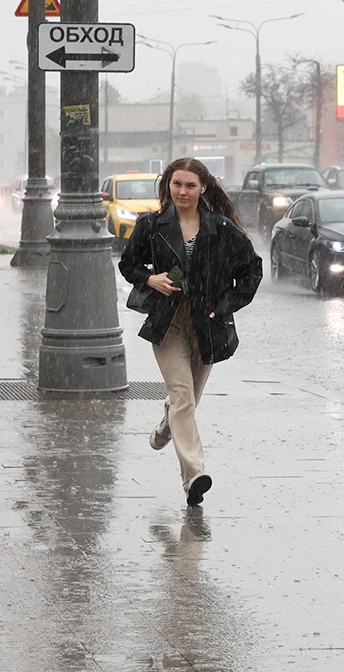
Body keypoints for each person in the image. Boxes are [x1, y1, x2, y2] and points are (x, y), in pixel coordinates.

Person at [119, 158, 263, 507]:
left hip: (207, 324)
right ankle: (194, 475)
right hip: (167, 323)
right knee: (183, 396)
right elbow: (128, 264)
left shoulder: (221, 228)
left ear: (203, 188)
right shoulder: (151, 226)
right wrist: (150, 278)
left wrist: (224, 305)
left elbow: (252, 272)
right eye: (176, 184)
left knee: (187, 402)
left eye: (190, 185)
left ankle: (167, 426)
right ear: (168, 186)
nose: (182, 191)